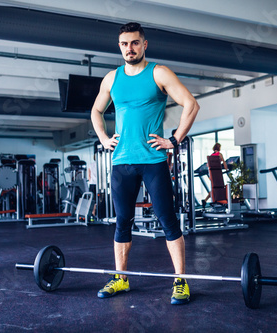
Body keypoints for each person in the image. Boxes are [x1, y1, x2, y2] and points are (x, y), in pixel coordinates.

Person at [90, 22, 199, 305]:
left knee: (168, 220)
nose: (130, 48)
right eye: (125, 44)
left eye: (135, 43)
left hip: (152, 160)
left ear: (144, 44)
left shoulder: (158, 72)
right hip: (121, 161)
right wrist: (103, 137)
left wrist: (173, 140)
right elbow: (96, 110)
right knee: (122, 221)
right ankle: (121, 279)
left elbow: (191, 104)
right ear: (120, 47)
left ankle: (181, 282)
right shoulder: (112, 78)